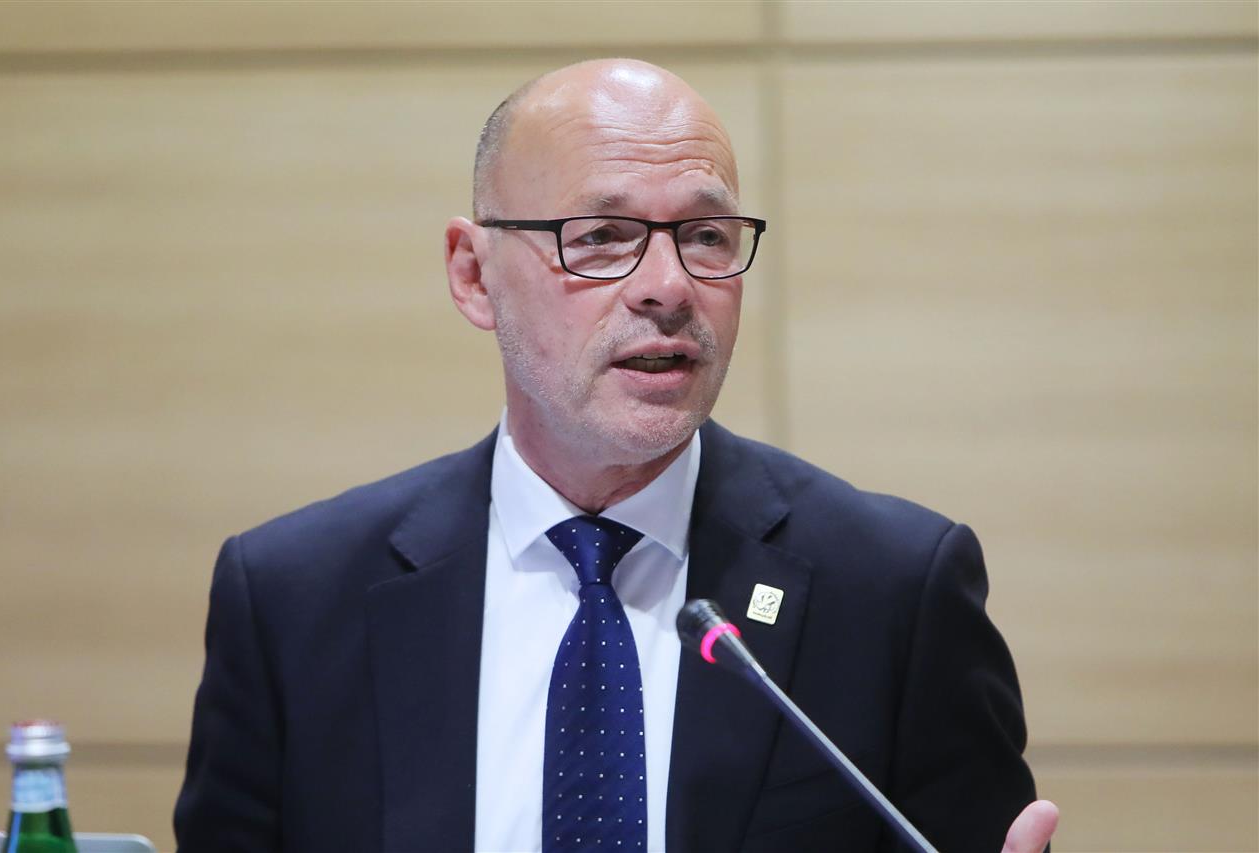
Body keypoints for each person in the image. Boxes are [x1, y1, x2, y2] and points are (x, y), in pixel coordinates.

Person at [172, 59, 1059, 852]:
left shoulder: (893, 590)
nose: (668, 287)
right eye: (600, 236)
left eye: (706, 237)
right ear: (474, 275)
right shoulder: (293, 600)